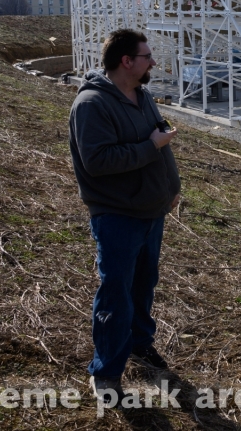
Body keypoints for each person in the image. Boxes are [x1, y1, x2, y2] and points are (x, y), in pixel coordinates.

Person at [69, 29, 181, 401]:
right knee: (116, 290)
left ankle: (139, 342)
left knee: (144, 282)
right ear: (126, 61)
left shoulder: (143, 95)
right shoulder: (91, 104)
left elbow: (161, 139)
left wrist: (172, 187)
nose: (153, 62)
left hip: (151, 208)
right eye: (147, 56)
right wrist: (150, 147)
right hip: (117, 213)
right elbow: (98, 162)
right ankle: (106, 372)